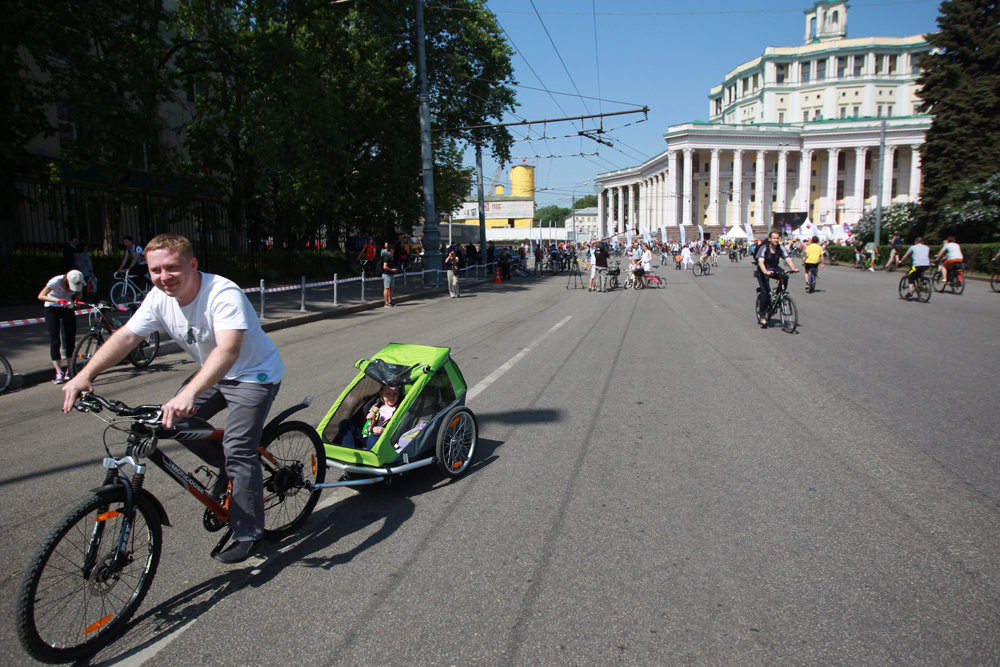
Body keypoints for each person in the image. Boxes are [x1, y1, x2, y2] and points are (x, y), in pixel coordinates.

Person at [61, 233, 283, 564]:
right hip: (214, 372)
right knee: (169, 422)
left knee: (238, 449)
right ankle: (232, 470)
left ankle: (249, 532)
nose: (164, 277)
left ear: (192, 265)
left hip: (254, 375)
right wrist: (84, 374)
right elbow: (125, 337)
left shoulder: (222, 293)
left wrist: (190, 391)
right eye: (155, 270)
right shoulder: (158, 298)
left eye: (172, 268)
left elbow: (228, 350)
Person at [39, 269, 85, 384]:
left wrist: (76, 301)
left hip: (67, 308)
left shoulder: (80, 281)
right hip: (52, 307)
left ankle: (70, 369)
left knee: (70, 338)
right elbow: (41, 296)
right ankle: (58, 371)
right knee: (55, 341)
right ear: (66, 280)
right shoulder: (56, 281)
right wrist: (57, 301)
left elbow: (79, 294)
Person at [334, 384, 401, 451]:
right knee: (345, 423)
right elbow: (368, 416)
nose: (392, 397)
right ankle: (347, 451)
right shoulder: (377, 405)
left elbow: (399, 428)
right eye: (388, 394)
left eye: (395, 393)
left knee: (373, 438)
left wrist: (384, 430)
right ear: (381, 394)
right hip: (366, 432)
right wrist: (370, 415)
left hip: (379, 438)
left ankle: (369, 455)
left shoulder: (398, 408)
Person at [755, 230, 799, 326]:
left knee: (785, 276)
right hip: (763, 270)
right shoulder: (764, 248)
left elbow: (787, 258)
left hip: (774, 268)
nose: (776, 240)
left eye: (777, 238)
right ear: (770, 239)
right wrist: (765, 271)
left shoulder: (780, 248)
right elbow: (760, 261)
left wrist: (793, 268)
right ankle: (762, 315)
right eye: (774, 238)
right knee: (765, 293)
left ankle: (780, 295)